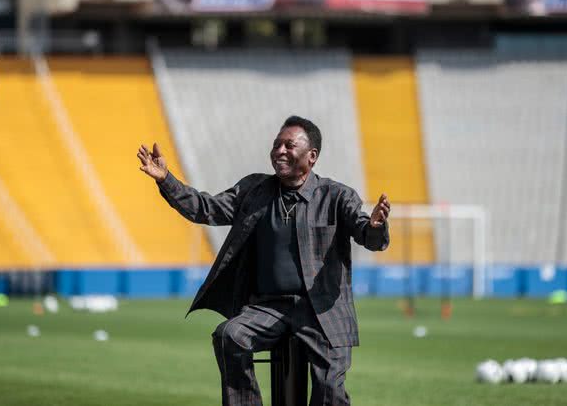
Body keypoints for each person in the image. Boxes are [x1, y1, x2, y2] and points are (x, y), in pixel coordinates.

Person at [137, 115, 390, 406]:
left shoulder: (337, 195)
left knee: (331, 391)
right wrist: (167, 181)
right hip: (268, 307)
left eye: (289, 145)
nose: (280, 150)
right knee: (229, 336)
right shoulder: (254, 191)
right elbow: (206, 209)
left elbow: (368, 236)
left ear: (312, 156)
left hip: (321, 312)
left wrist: (374, 226)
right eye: (276, 144)